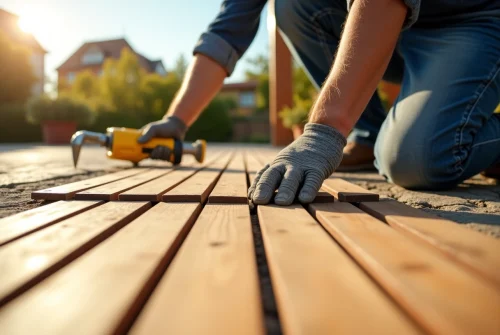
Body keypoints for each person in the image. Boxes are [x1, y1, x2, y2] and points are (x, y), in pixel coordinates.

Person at [138, 0, 500, 206]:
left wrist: (324, 131)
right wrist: (177, 120)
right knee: (294, 4)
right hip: (396, 29)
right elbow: (226, 32)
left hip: (471, 21)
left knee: (417, 160)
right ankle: (368, 131)